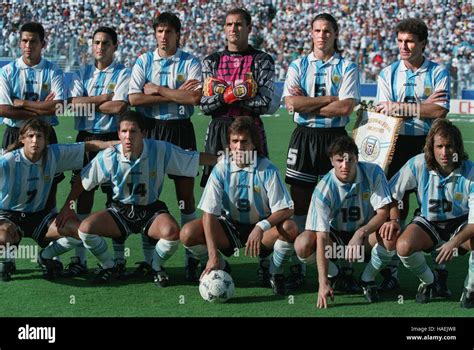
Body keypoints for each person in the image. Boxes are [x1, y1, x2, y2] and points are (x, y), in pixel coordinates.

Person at [56, 111, 217, 286]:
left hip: (150, 210)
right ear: (118, 134)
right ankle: (108, 265)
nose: (128, 137)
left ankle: (155, 267)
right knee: (85, 229)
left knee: (171, 233)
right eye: (124, 131)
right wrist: (67, 206)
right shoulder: (109, 156)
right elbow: (82, 181)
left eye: (133, 131)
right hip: (120, 211)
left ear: (143, 134)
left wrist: (222, 159)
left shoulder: (159, 149)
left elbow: (192, 158)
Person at [199, 7, 276, 288]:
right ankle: (216, 257)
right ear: (224, 28)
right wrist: (241, 91)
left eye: (239, 24)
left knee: (263, 193)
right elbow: (205, 105)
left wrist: (224, 92)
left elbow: (265, 103)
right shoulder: (211, 60)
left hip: (249, 130)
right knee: (215, 193)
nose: (234, 29)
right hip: (219, 131)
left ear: (249, 28)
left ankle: (267, 263)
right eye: (229, 24)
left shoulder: (262, 60)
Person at [283, 13, 360, 289]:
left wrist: (308, 103)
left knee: (338, 204)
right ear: (311, 33)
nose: (322, 35)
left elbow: (345, 108)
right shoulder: (299, 64)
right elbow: (292, 104)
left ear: (335, 34)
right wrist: (328, 98)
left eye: (327, 31)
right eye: (317, 30)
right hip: (304, 138)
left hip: (335, 138)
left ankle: (341, 267)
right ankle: (300, 264)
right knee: (301, 203)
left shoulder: (347, 66)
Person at [180, 116, 298, 296]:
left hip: (262, 228)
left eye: (244, 141)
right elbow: (209, 214)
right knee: (187, 233)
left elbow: (287, 208)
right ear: (229, 144)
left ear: (254, 145)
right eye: (234, 141)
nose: (239, 147)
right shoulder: (221, 168)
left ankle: (274, 273)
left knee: (289, 227)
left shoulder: (267, 169)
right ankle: (219, 264)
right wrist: (212, 255)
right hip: (230, 227)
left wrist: (261, 226)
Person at [375, 18, 451, 291]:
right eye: (400, 41)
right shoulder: (387, 73)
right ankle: (392, 271)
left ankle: (440, 269)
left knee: (435, 205)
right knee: (396, 206)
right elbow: (385, 110)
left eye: (409, 41)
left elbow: (440, 111)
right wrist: (422, 106)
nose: (404, 46)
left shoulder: (438, 72)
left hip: (427, 143)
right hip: (394, 143)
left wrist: (402, 107)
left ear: (422, 44)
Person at [128, 12, 202, 281]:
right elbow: (134, 98)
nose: (163, 36)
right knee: (147, 196)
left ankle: (192, 258)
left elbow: (193, 97)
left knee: (186, 197)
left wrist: (158, 89)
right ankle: (150, 260)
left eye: (168, 31)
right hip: (152, 129)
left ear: (177, 34)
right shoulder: (144, 60)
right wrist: (175, 93)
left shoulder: (190, 61)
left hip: (181, 130)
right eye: (159, 31)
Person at [0, 119, 116, 282]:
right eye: (30, 136)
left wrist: (114, 143)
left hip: (40, 216)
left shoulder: (54, 154)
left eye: (39, 136)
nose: (35, 141)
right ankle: (5, 260)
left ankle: (46, 256)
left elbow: (88, 146)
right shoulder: (8, 161)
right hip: (9, 216)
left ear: (45, 140)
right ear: (22, 139)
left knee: (82, 232)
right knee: (2, 236)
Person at [294, 135, 395, 308]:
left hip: (365, 234)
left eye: (350, 160)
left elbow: (383, 212)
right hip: (335, 239)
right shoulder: (323, 190)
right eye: (339, 160)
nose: (345, 165)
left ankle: (367, 279)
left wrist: (360, 232)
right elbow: (322, 238)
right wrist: (322, 282)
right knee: (302, 244)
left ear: (357, 158)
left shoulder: (373, 172)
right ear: (331, 161)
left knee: (390, 234)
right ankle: (335, 275)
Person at [388, 119, 474, 308]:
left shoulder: (470, 171)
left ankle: (470, 289)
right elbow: (392, 193)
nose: (444, 153)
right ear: (431, 147)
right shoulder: (417, 164)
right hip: (429, 222)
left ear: (457, 147)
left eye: (449, 146)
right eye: (439, 146)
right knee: (403, 246)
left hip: (461, 224)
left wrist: (454, 242)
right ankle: (429, 280)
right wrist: (394, 219)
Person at [66, 26, 129, 278]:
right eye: (96, 43)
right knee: (82, 195)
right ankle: (79, 258)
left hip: (114, 139)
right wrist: (102, 97)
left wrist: (89, 102)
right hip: (86, 139)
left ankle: (118, 259)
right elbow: (72, 105)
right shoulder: (82, 73)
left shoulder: (123, 72)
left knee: (117, 198)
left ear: (114, 46)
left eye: (105, 43)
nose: (100, 47)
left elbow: (120, 106)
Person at [0, 22, 65, 214]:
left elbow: (58, 107)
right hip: (15, 133)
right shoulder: (8, 72)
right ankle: (8, 224)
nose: (28, 45)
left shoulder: (53, 70)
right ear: (20, 43)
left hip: (45, 133)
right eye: (25, 41)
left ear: (43, 44)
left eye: (33, 41)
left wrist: (21, 103)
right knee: (9, 180)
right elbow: (3, 109)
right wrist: (42, 108)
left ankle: (49, 221)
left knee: (50, 180)